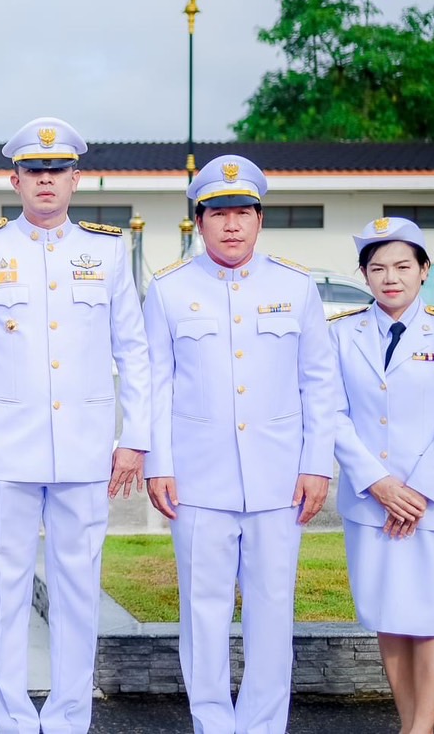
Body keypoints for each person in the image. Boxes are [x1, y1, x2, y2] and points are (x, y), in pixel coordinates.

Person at [0, 117, 150, 734]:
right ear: (15, 179)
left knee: (77, 588)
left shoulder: (106, 250)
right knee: (6, 590)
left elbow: (132, 350)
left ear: (75, 179)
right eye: (34, 172)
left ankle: (67, 717)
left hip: (86, 448)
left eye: (57, 171)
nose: (45, 182)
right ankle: (10, 717)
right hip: (4, 449)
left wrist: (134, 437)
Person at [143, 155, 338, 734]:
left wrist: (316, 465)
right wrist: (160, 464)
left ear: (259, 219)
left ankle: (262, 726)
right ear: (199, 221)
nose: (232, 224)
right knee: (202, 615)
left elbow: (319, 384)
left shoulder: (297, 287)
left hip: (280, 480)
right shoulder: (170, 289)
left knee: (272, 613)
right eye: (218, 213)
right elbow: (154, 383)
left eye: (243, 213)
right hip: (198, 481)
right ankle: (212, 724)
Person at [330, 217, 434, 734]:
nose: (390, 277)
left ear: (424, 271)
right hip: (372, 502)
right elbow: (331, 413)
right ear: (364, 275)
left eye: (402, 266)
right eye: (377, 268)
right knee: (387, 615)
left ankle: (422, 729)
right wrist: (379, 484)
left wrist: (415, 492)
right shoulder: (341, 333)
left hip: (431, 504)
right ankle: (407, 724)